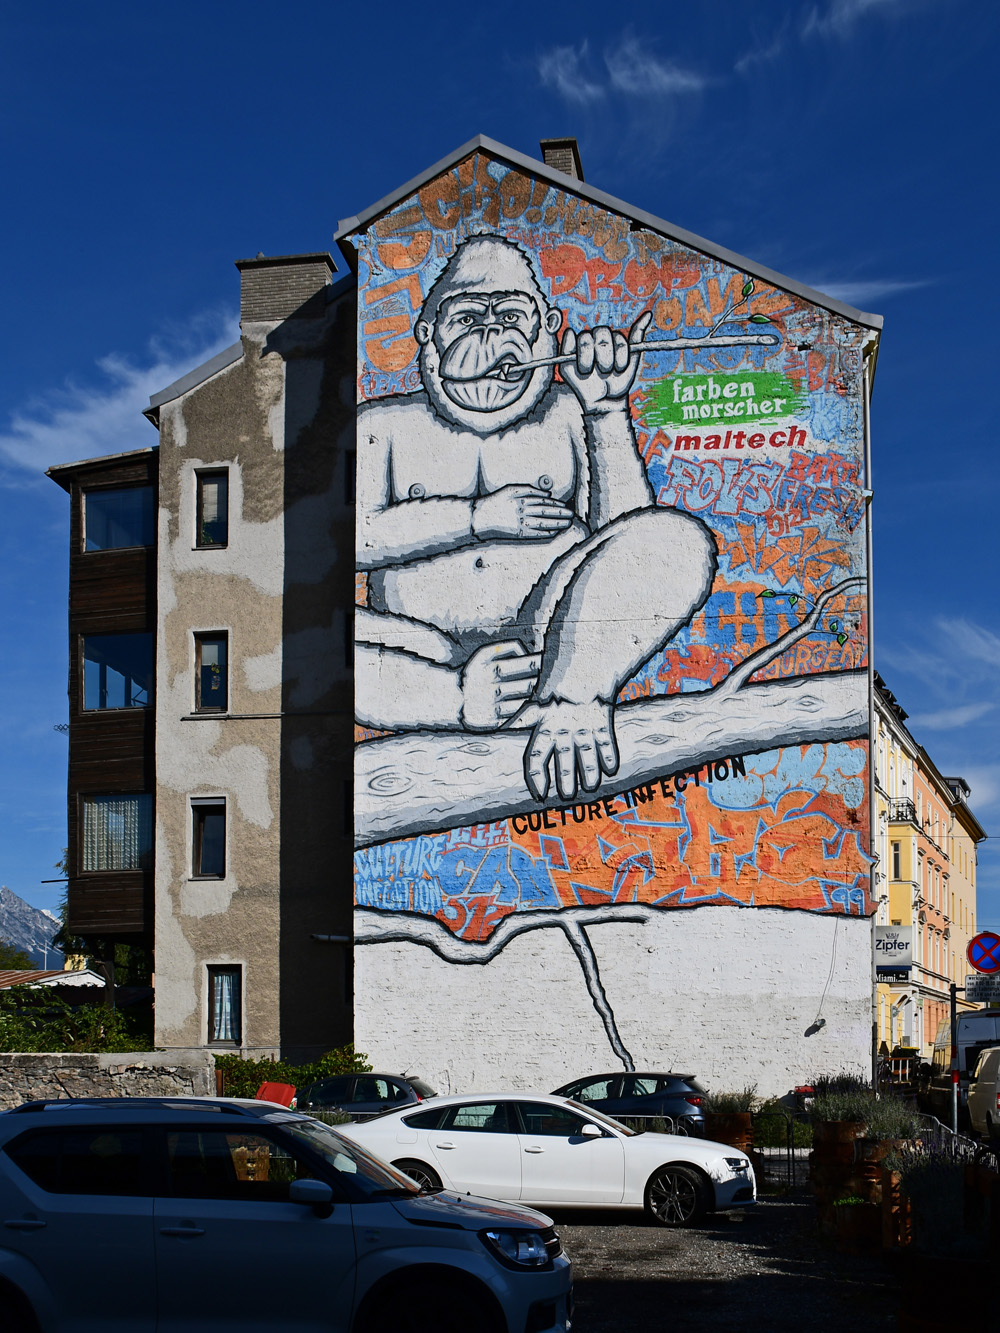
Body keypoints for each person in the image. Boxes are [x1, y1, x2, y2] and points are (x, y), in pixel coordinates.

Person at [355, 235, 717, 803]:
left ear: (547, 327)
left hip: (550, 651)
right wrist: (478, 517)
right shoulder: (383, 425)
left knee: (678, 538)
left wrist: (606, 410)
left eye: (510, 316)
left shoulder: (570, 411)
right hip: (419, 663)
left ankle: (573, 704)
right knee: (312, 638)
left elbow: (633, 546)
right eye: (467, 316)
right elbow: (354, 539)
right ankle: (456, 704)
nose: (489, 336)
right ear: (427, 331)